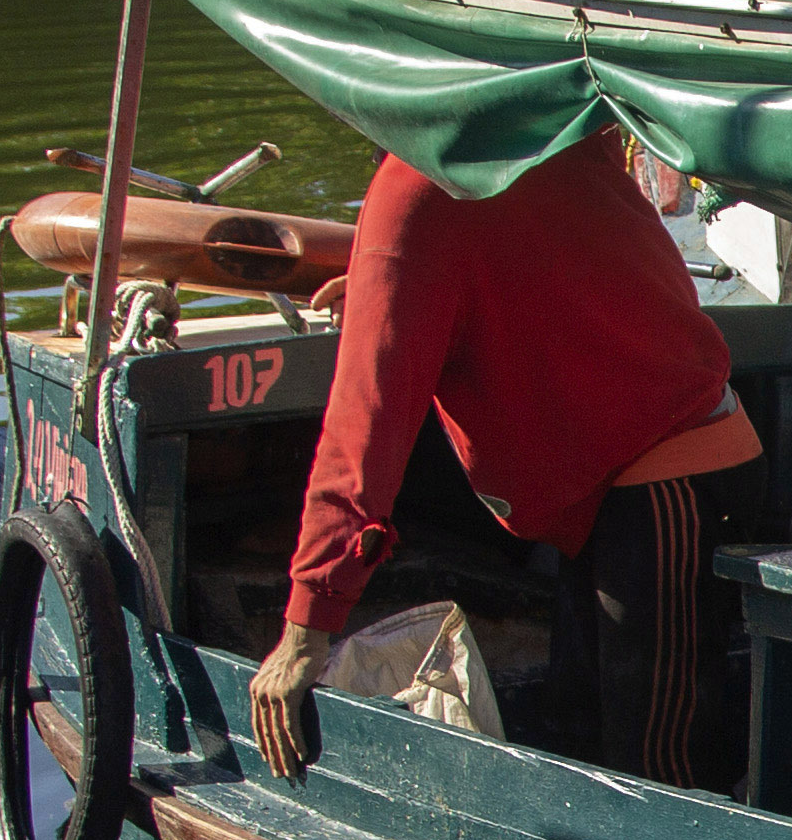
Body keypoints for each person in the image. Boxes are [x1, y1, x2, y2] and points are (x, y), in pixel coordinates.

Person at [250, 132, 764, 788]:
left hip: (667, 476)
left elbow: (364, 431)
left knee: (662, 779)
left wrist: (306, 626)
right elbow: (531, 247)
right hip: (629, 480)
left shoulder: (414, 192)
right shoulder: (532, 128)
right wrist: (397, 286)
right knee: (584, 740)